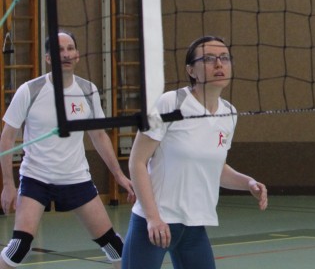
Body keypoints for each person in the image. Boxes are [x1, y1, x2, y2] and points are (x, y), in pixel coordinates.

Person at [123, 35, 268, 269]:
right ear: (191, 70)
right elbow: (137, 162)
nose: (219, 64)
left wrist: (248, 183)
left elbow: (216, 168)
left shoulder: (229, 113)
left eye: (224, 58)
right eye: (208, 59)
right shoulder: (169, 103)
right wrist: (152, 218)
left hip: (193, 228)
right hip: (155, 225)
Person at [1, 31, 134, 266]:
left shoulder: (88, 90)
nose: (65, 54)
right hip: (36, 178)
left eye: (70, 48)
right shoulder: (30, 90)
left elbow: (99, 135)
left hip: (76, 179)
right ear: (48, 58)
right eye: (59, 50)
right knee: (19, 247)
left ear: (78, 55)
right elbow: (7, 138)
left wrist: (119, 175)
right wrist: (8, 184)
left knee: (115, 246)